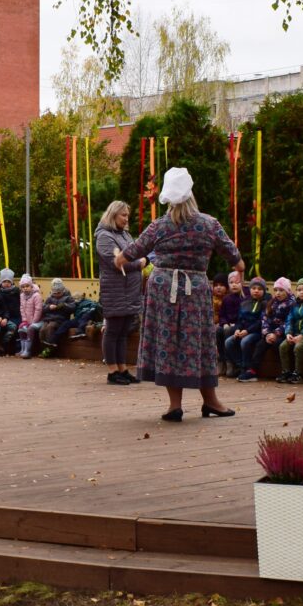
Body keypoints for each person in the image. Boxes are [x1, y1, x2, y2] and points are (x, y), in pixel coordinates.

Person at [114, 166, 244, 420]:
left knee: (168, 343)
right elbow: (232, 254)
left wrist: (120, 259)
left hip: (163, 288)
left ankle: (175, 406)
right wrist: (239, 268)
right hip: (195, 288)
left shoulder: (159, 226)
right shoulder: (209, 224)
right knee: (199, 342)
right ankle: (211, 402)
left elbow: (134, 250)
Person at [95, 200, 145, 385]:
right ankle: (112, 370)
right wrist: (139, 264)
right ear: (113, 214)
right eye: (123, 215)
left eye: (127, 216)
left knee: (124, 330)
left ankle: (123, 368)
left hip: (129, 291)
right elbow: (115, 262)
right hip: (115, 290)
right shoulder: (104, 236)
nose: (126, 219)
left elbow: (134, 252)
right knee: (113, 330)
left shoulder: (125, 234)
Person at [241, 277, 294, 383]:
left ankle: (286, 371)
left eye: (281, 290)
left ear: (287, 291)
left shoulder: (291, 304)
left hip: (283, 333)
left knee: (277, 345)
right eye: (276, 290)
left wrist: (275, 334)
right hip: (270, 334)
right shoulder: (271, 302)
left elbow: (289, 322)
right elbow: (265, 319)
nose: (278, 293)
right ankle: (252, 371)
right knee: (260, 345)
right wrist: (267, 333)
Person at [224, 278, 269, 379]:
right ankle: (242, 367)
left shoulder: (265, 303)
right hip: (243, 331)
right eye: (253, 288)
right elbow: (240, 320)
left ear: (264, 291)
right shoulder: (244, 303)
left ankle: (248, 370)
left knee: (245, 341)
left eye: (259, 289)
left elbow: (261, 322)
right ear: (250, 289)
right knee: (229, 342)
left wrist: (247, 331)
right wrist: (237, 330)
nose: (256, 291)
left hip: (257, 332)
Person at [277, 277, 303, 384]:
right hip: (294, 334)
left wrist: (302, 335)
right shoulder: (294, 304)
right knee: (283, 346)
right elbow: (289, 319)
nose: (301, 292)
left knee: (298, 347)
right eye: (299, 290)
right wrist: (288, 333)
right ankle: (286, 371)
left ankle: (298, 373)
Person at [38, 278, 75, 356]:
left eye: (59, 293)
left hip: (60, 319)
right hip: (48, 318)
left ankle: (50, 350)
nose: (57, 294)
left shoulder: (68, 297)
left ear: (63, 290)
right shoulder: (50, 297)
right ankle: (43, 348)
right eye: (55, 293)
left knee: (50, 328)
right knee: (42, 329)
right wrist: (49, 307)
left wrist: (63, 305)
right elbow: (43, 308)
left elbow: (72, 308)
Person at [218, 271, 243, 374]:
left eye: (237, 282)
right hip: (228, 324)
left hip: (239, 325)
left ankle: (230, 362)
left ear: (242, 283)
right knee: (218, 331)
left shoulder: (244, 297)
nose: (234, 285)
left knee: (228, 331)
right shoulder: (226, 298)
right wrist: (224, 323)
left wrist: (235, 324)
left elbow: (245, 315)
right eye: (231, 282)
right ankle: (222, 360)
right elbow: (222, 315)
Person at [17, 274, 44, 359]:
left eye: (27, 286)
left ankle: (28, 351)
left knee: (30, 328)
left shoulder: (36, 295)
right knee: (21, 328)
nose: (25, 288)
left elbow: (38, 310)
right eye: (23, 286)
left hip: (38, 321)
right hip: (27, 320)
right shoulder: (22, 295)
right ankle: (23, 349)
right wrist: (24, 320)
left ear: (31, 286)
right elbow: (22, 307)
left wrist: (33, 321)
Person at [0, 268, 21, 353]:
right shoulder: (0, 293)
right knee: (10, 328)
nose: (6, 284)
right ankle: (5, 347)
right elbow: (2, 307)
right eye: (4, 282)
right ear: (1, 283)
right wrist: (5, 317)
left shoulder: (16, 291)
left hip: (17, 315)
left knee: (19, 328)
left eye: (8, 282)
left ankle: (18, 349)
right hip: (6, 316)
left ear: (11, 282)